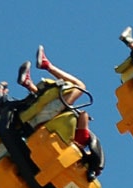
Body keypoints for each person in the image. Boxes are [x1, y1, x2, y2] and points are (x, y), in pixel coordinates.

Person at [13, 46, 103, 180]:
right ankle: (29, 85)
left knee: (79, 86)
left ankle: (47, 66)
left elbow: (83, 115)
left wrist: (84, 120)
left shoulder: (80, 140)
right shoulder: (54, 160)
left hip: (46, 120)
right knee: (49, 102)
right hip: (33, 127)